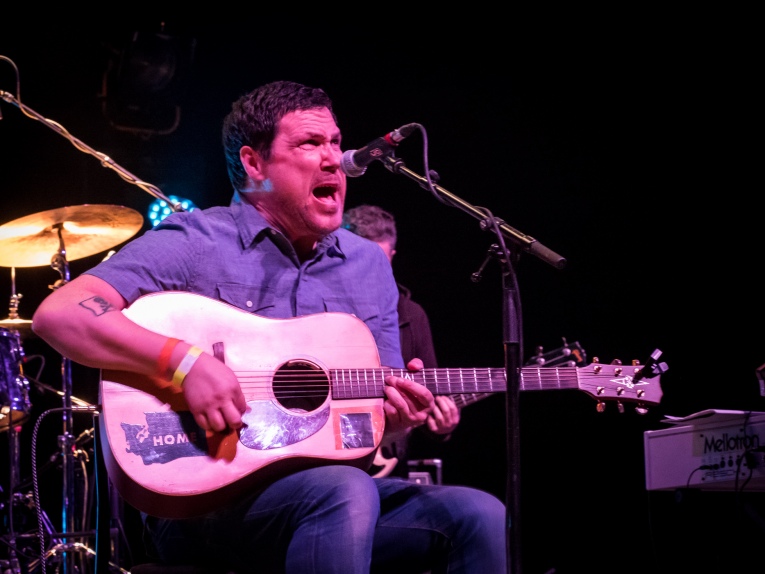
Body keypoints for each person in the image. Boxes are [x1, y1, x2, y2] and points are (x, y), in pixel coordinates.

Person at [31, 80, 506, 573]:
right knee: (346, 491)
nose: (334, 161)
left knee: (478, 514)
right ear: (254, 165)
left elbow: (370, 414)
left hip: (337, 497)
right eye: (309, 143)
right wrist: (185, 365)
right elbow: (60, 313)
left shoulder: (368, 264)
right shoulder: (196, 240)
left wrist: (396, 419)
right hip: (205, 501)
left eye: (335, 142)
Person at [342, 204, 460, 481]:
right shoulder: (322, 310)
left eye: (380, 261)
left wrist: (442, 427)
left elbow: (430, 396)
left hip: (387, 468)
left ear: (392, 256)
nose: (371, 272)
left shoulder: (412, 315)